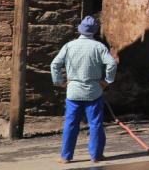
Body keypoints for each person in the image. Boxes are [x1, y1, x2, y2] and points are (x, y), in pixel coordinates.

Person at [50, 15, 117, 164]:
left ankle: (66, 156)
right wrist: (107, 81)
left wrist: (59, 82)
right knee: (95, 123)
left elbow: (54, 64)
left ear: (80, 30)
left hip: (73, 91)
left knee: (71, 123)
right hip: (94, 91)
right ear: (95, 31)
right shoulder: (99, 47)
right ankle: (96, 155)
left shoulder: (69, 46)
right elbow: (112, 64)